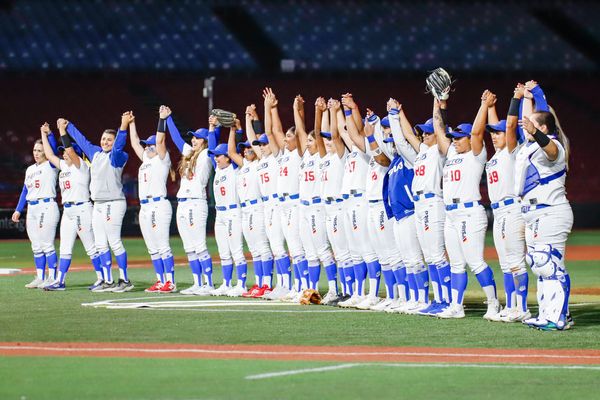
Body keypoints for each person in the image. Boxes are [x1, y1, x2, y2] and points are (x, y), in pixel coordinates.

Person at [432, 95, 500, 320]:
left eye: (460, 137)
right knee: (456, 263)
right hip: (451, 214)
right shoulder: (452, 152)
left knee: (474, 261)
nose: (455, 141)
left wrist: (483, 105)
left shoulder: (476, 154)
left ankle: (493, 303)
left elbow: (478, 133)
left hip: (469, 213)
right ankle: (456, 306)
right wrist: (439, 102)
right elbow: (439, 128)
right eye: (455, 137)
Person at [517, 81, 573, 331]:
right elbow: (532, 122)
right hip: (533, 213)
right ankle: (550, 313)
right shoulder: (529, 147)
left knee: (547, 263)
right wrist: (526, 97)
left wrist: (538, 97)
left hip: (550, 210)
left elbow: (549, 149)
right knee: (541, 265)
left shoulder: (554, 145)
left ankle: (557, 318)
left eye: (532, 124)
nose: (526, 125)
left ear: (542, 128)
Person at [64, 112, 132, 292]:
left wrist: (123, 126)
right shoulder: (96, 153)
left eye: (109, 139)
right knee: (100, 243)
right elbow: (82, 141)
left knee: (114, 241)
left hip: (114, 202)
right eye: (103, 139)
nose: (105, 142)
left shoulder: (118, 156)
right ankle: (108, 281)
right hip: (99, 204)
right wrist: (68, 125)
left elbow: (118, 146)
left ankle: (124, 280)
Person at [397, 104, 452, 315]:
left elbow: (439, 127)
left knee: (436, 255)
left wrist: (438, 102)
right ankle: (438, 299)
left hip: (432, 203)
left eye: (429, 132)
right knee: (429, 256)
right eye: (425, 132)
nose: (425, 135)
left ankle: (446, 300)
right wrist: (400, 111)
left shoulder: (439, 151)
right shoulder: (422, 152)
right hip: (420, 205)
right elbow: (409, 133)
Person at [483, 87, 530, 322]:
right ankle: (511, 305)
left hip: (513, 209)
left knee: (515, 261)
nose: (494, 136)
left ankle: (522, 307)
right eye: (492, 133)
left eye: (497, 134)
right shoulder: (498, 154)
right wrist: (491, 107)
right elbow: (499, 128)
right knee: (505, 263)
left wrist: (516, 98)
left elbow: (509, 127)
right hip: (499, 212)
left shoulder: (513, 151)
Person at [37, 121, 101, 290]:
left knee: (91, 247)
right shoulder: (64, 165)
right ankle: (60, 281)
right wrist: (44, 134)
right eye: (63, 152)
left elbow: (71, 151)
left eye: (65, 151)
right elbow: (50, 155)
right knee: (64, 247)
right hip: (68, 211)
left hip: (82, 209)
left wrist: (62, 130)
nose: (63, 154)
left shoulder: (81, 166)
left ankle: (102, 278)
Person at [164, 108, 216, 295]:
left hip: (196, 202)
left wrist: (212, 128)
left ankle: (208, 284)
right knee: (189, 247)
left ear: (204, 141)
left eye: (197, 137)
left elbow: (213, 141)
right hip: (183, 203)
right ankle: (197, 283)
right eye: (193, 137)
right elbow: (177, 139)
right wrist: (168, 118)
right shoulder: (190, 153)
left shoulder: (207, 154)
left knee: (199, 244)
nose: (193, 140)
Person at [262, 88, 307, 302]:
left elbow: (299, 131)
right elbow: (272, 131)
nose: (285, 139)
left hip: (296, 204)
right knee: (282, 247)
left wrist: (296, 110)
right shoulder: (282, 155)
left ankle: (301, 287)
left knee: (297, 247)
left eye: (289, 137)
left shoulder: (299, 153)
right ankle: (285, 285)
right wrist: (269, 108)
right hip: (282, 206)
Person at [337, 93, 381, 308]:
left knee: (366, 248)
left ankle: (372, 294)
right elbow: (343, 130)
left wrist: (352, 109)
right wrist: (340, 110)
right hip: (348, 202)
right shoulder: (354, 150)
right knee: (355, 250)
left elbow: (354, 132)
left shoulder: (366, 150)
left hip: (361, 200)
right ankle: (358, 292)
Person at [128, 107, 176, 293]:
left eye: (150, 145)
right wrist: (132, 124)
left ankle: (170, 282)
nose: (147, 148)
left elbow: (160, 139)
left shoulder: (162, 159)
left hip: (158, 204)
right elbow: (133, 142)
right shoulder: (146, 160)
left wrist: (162, 120)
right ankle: (160, 280)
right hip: (145, 206)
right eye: (146, 145)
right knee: (152, 247)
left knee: (162, 245)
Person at [245, 104, 290, 300]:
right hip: (267, 206)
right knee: (273, 246)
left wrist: (266, 110)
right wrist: (248, 118)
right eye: (260, 144)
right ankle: (281, 284)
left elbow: (271, 133)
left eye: (264, 144)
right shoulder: (262, 159)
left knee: (279, 247)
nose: (261, 146)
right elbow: (251, 138)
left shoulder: (274, 157)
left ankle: (285, 285)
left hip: (277, 204)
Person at [226, 118, 273, 298]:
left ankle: (267, 285)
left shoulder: (260, 162)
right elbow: (231, 151)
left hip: (257, 207)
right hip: (245, 210)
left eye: (249, 147)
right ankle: (259, 283)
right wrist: (232, 130)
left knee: (262, 246)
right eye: (244, 148)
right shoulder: (244, 165)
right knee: (254, 249)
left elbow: (258, 138)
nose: (246, 150)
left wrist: (252, 119)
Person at [295, 96, 336, 297]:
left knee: (322, 250)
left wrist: (320, 112)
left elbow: (318, 133)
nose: (308, 143)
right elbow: (301, 131)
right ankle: (311, 291)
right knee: (310, 253)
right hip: (303, 207)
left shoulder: (322, 157)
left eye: (311, 141)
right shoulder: (305, 158)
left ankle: (335, 290)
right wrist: (298, 109)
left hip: (317, 207)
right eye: (308, 141)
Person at [13, 128, 60, 289]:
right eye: (35, 150)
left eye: (40, 150)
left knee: (47, 244)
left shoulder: (51, 165)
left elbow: (53, 149)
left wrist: (48, 135)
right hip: (32, 208)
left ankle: (53, 278)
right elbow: (25, 190)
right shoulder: (30, 169)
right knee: (36, 245)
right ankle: (40, 277)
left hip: (46, 206)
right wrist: (18, 209)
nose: (36, 153)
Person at [317, 99, 353, 305]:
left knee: (344, 252)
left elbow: (334, 134)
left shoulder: (342, 155)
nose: (328, 141)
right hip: (328, 208)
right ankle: (343, 290)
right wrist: (325, 112)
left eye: (330, 139)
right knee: (339, 252)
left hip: (339, 206)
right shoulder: (327, 158)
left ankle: (348, 291)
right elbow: (325, 133)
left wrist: (334, 112)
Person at [209, 140, 249, 297]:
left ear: (228, 157)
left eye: (219, 155)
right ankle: (226, 283)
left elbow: (233, 151)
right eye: (215, 156)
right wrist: (212, 127)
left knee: (236, 250)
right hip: (220, 214)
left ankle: (241, 284)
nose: (216, 158)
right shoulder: (218, 170)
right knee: (224, 252)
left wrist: (235, 132)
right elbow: (212, 144)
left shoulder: (234, 169)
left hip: (233, 212)